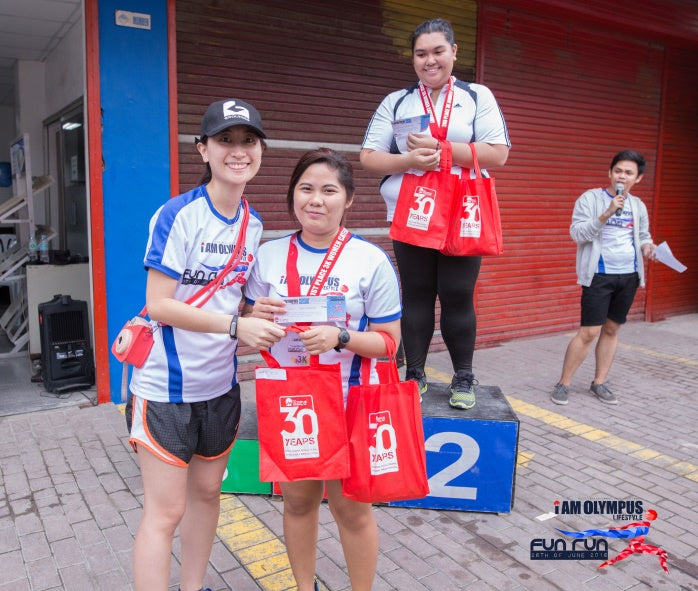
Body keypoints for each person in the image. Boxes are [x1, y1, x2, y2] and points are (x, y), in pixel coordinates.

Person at [124, 98, 285, 591]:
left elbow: (230, 303)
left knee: (209, 495)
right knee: (165, 512)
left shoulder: (253, 224)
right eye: (226, 141)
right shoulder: (178, 215)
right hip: (166, 389)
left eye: (249, 141)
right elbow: (159, 305)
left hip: (220, 387)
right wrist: (237, 329)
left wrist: (260, 315)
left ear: (260, 151)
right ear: (203, 150)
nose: (239, 151)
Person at [243, 148, 402, 591]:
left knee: (351, 508)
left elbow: (390, 343)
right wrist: (255, 313)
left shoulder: (370, 260)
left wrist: (343, 337)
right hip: (293, 400)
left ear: (348, 199)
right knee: (297, 503)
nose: (316, 199)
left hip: (352, 401)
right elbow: (247, 321)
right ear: (292, 196)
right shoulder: (268, 256)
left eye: (329, 190)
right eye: (306, 189)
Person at [360, 17, 510, 410]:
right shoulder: (397, 102)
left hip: (464, 213)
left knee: (458, 295)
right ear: (413, 59)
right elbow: (368, 157)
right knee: (416, 296)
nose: (430, 61)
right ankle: (416, 373)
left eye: (438, 51)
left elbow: (498, 152)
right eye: (421, 53)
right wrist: (409, 159)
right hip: (413, 211)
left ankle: (463, 375)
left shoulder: (477, 96)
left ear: (454, 52)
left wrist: (444, 151)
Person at [551, 149, 656, 406]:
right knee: (589, 331)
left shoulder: (638, 206)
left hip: (628, 275)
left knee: (611, 329)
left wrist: (648, 247)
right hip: (599, 274)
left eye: (628, 173)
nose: (622, 176)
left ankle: (599, 382)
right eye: (618, 170)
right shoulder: (590, 199)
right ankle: (563, 383)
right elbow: (578, 234)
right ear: (610, 173)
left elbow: (643, 235)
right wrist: (606, 213)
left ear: (638, 178)